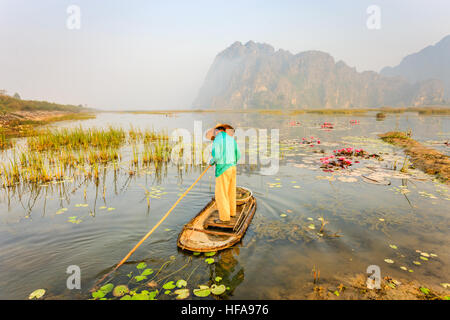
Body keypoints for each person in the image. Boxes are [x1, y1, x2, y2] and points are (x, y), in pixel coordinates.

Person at [207, 123, 241, 223]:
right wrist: (232, 162)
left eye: (214, 132)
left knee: (221, 193)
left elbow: (216, 156)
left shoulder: (217, 140)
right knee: (231, 191)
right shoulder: (231, 139)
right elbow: (238, 154)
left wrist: (211, 162)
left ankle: (224, 218)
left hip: (223, 169)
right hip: (232, 167)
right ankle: (232, 213)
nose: (214, 134)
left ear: (217, 131)